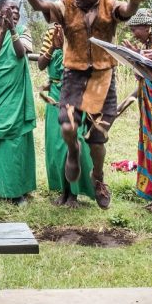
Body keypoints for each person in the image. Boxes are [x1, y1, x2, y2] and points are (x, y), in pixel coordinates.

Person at [19, 0, 152, 209]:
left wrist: (134, 2)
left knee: (97, 138)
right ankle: (72, 150)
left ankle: (98, 178)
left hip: (103, 76)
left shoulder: (108, 4)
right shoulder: (66, 4)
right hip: (74, 74)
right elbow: (44, 6)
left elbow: (126, 10)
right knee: (67, 123)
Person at [0, 0, 37, 203]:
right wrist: (3, 31)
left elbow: (21, 54)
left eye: (16, 8)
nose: (15, 11)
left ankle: (16, 190)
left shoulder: (24, 31)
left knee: (15, 144)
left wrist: (13, 31)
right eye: (10, 8)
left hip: (16, 98)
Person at [38, 24, 96, 206]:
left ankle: (74, 194)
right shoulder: (50, 33)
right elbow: (41, 65)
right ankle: (63, 191)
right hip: (55, 93)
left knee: (74, 141)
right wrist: (54, 46)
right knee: (57, 145)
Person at [122, 10, 152, 213]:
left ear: (148, 28)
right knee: (151, 145)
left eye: (136, 28)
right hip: (148, 108)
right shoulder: (147, 47)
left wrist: (143, 61)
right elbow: (142, 79)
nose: (133, 32)